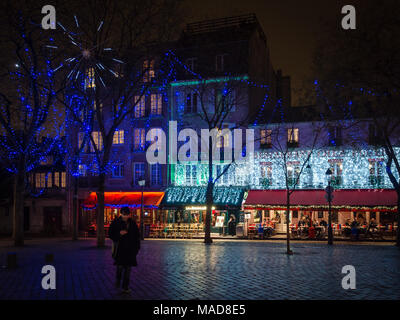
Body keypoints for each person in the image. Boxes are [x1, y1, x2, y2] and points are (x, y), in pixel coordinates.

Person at [109, 207, 141, 294]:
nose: (125, 217)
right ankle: (118, 280)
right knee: (119, 267)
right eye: (124, 215)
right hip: (120, 249)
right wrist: (119, 234)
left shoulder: (133, 224)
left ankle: (125, 287)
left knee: (128, 269)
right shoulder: (116, 223)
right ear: (121, 214)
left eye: (127, 215)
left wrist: (136, 248)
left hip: (130, 250)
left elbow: (137, 237)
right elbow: (111, 234)